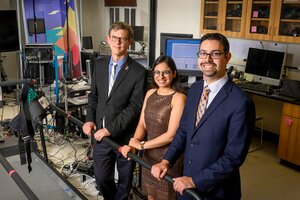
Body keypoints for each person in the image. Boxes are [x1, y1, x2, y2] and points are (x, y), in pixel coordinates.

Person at [151, 33, 256, 200]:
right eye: (203, 53)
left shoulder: (241, 102)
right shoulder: (194, 90)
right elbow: (183, 131)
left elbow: (234, 156)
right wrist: (166, 161)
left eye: (215, 53)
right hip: (186, 187)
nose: (207, 59)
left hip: (217, 192)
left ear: (227, 57)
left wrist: (195, 180)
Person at [82, 21, 148, 200]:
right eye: (114, 38)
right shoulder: (99, 65)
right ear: (108, 39)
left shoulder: (139, 72)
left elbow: (135, 107)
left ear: (129, 42)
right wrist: (89, 119)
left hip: (124, 138)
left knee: (125, 183)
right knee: (102, 179)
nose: (118, 42)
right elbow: (93, 96)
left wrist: (110, 129)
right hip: (101, 137)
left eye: (123, 39)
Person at [121, 55, 186, 200]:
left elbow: (171, 135)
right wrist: (133, 144)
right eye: (157, 72)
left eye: (166, 72)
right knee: (151, 196)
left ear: (174, 73)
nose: (161, 76)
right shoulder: (150, 93)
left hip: (168, 159)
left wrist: (142, 145)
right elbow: (142, 124)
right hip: (149, 157)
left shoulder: (179, 97)